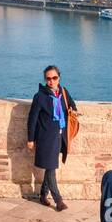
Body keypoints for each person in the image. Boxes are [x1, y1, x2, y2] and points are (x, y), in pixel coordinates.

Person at [26, 64, 77, 211]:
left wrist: (73, 110)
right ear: (45, 80)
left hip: (60, 136)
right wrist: (30, 139)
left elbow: (72, 105)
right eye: (48, 79)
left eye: (54, 78)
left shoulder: (63, 92)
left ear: (58, 78)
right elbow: (32, 119)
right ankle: (58, 200)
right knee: (51, 167)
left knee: (51, 167)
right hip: (45, 138)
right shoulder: (40, 97)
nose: (51, 81)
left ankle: (43, 194)